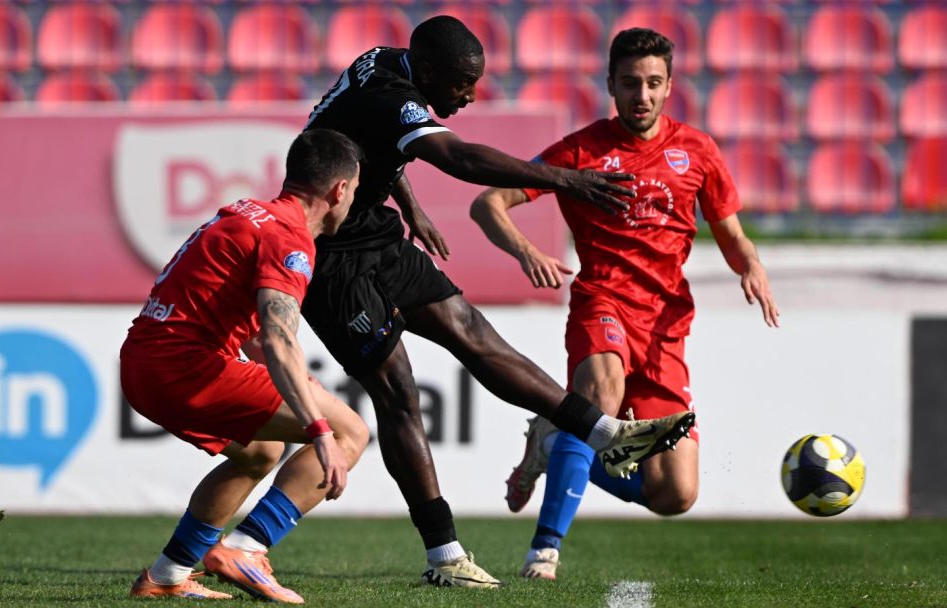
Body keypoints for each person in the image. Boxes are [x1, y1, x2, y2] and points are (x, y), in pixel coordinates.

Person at [300, 16, 696, 587]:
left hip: (376, 235)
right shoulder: (391, 92)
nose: (470, 96)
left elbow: (368, 139)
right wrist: (564, 179)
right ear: (428, 72)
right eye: (462, 84)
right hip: (333, 258)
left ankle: (603, 433)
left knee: (472, 331)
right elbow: (459, 159)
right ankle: (444, 556)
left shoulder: (386, 61)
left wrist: (410, 207)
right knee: (398, 394)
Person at [470, 28, 781, 580]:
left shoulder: (698, 151)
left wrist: (751, 265)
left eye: (654, 83)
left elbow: (732, 235)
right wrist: (525, 250)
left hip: (665, 327)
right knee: (601, 394)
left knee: (674, 494)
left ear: (670, 86)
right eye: (631, 83)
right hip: (603, 303)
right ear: (611, 84)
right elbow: (488, 202)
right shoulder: (580, 152)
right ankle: (545, 549)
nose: (643, 95)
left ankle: (553, 441)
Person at [120, 129, 370, 603]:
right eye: (355, 190)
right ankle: (247, 549)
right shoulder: (289, 238)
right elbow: (278, 338)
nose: (353, 200)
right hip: (185, 368)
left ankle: (166, 575)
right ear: (340, 190)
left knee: (260, 450)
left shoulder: (247, 214)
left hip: (142, 363)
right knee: (349, 432)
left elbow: (253, 335)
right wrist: (319, 430)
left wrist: (297, 384)